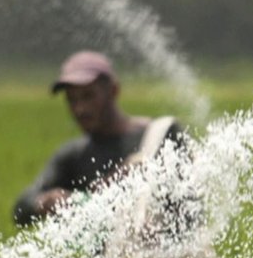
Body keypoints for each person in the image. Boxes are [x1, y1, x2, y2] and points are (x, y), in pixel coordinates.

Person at [12, 51, 190, 227]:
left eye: (88, 96)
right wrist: (45, 202)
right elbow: (21, 208)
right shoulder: (74, 156)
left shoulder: (161, 135)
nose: (80, 109)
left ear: (113, 91)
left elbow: (189, 205)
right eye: (72, 99)